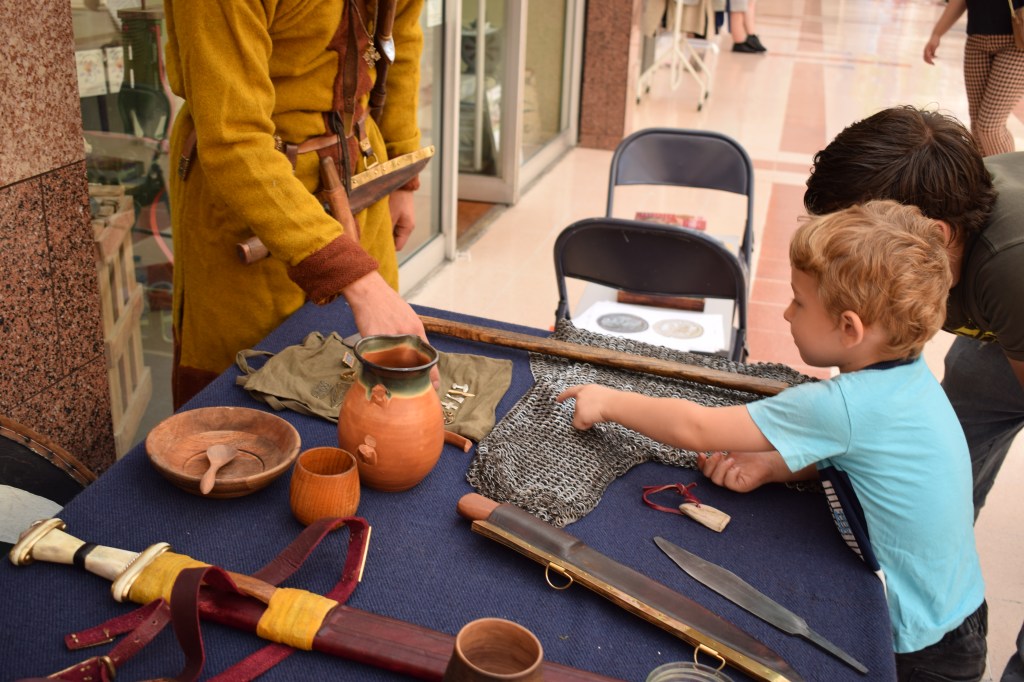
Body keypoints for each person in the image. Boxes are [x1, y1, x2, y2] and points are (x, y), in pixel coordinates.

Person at [558, 201, 987, 680]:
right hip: (961, 607)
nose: (785, 313)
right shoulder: (908, 378)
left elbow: (696, 428)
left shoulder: (843, 404)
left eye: (799, 302)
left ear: (850, 328)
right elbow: (867, 458)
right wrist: (774, 464)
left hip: (918, 645)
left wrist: (608, 401)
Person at [804, 105, 1024, 682]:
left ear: (940, 238)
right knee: (941, 463)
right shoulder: (937, 223)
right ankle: (926, 579)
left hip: (1016, 291)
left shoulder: (1009, 269)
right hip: (1005, 318)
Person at [164, 0, 431, 409]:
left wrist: (401, 175)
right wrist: (356, 279)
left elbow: (402, 40)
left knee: (370, 382)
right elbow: (233, 136)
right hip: (252, 192)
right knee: (248, 395)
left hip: (361, 170)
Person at [923, 0, 1024, 156]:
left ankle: (1007, 179)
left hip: (1017, 42)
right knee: (977, 126)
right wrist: (937, 34)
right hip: (976, 41)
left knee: (989, 126)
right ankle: (987, 177)